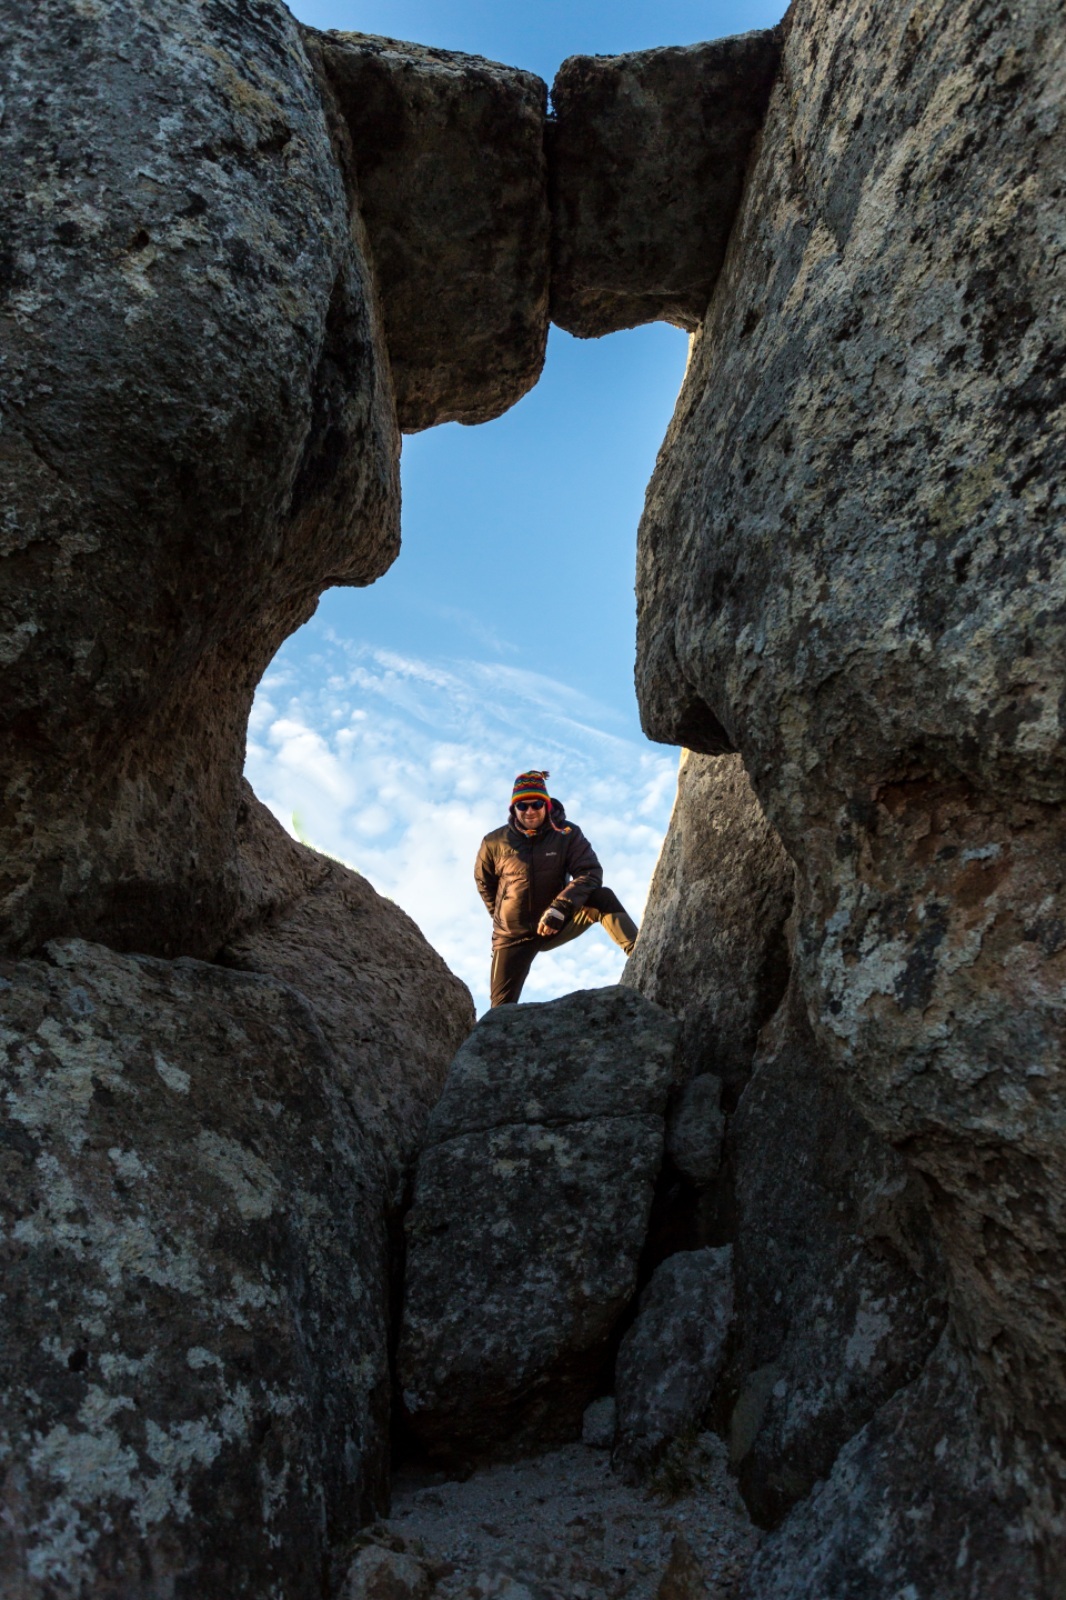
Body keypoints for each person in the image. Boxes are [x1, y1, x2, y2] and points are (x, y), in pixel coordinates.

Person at [474, 769, 640, 1007]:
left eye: (536, 804)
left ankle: (641, 955)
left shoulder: (567, 834)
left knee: (602, 898)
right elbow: (484, 883)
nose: (530, 811)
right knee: (499, 1012)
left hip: (556, 922)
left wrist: (559, 908)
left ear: (547, 805)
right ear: (513, 809)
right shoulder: (493, 842)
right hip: (512, 936)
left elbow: (590, 872)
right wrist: (502, 916)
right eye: (522, 806)